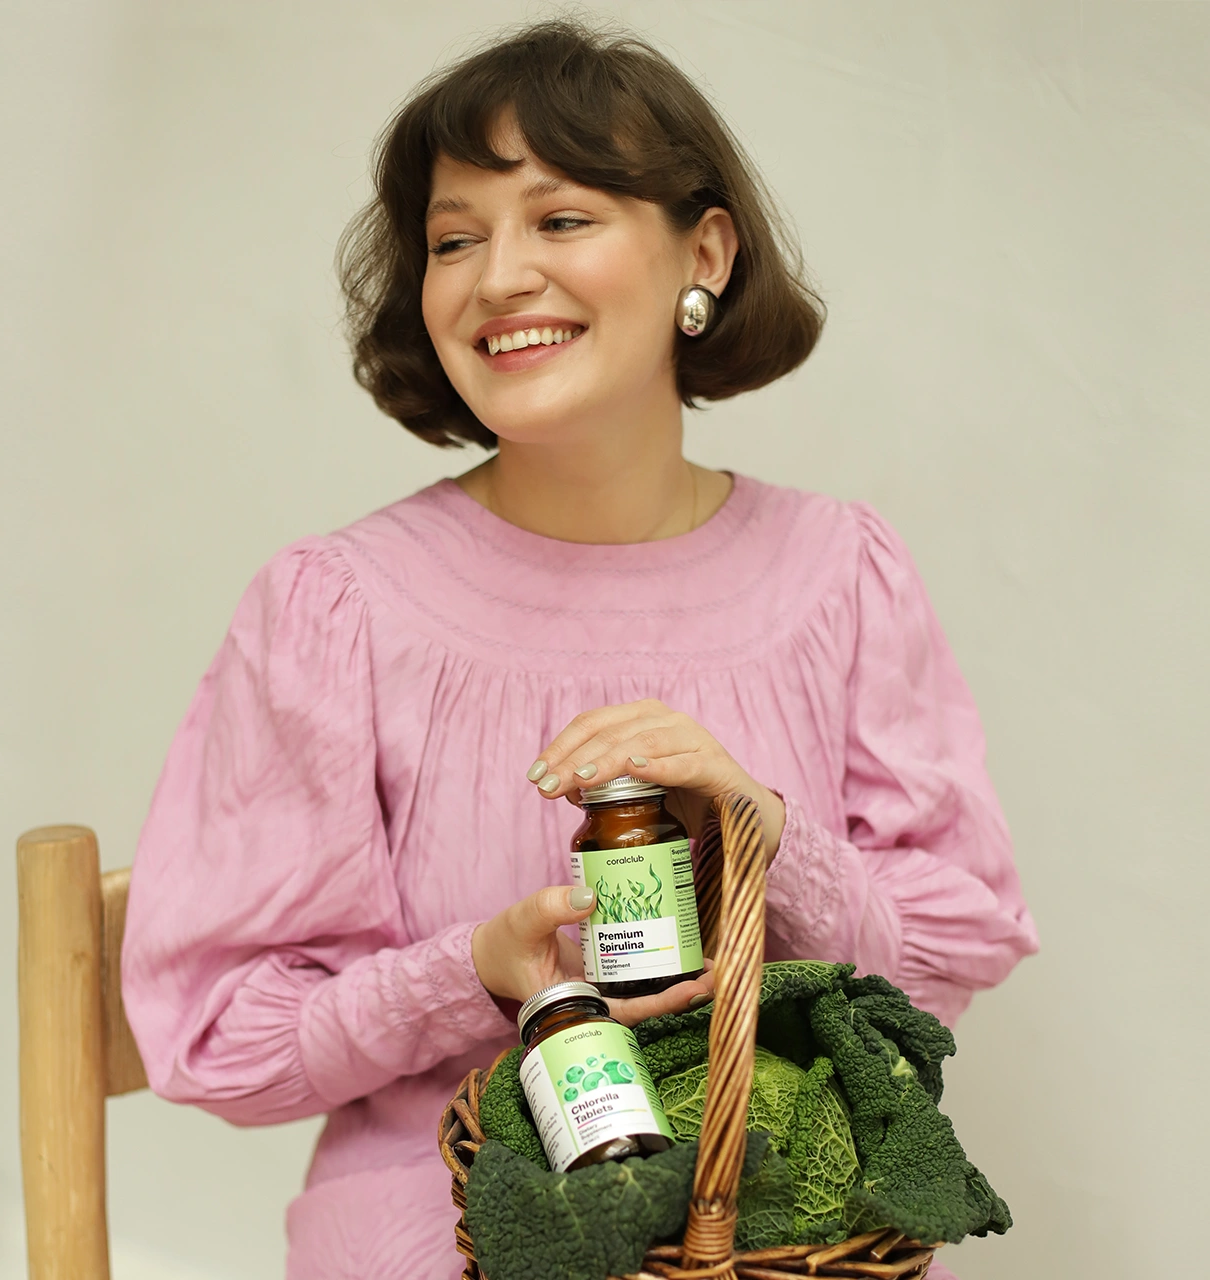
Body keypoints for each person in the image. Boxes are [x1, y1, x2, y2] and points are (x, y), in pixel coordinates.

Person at [122, 20, 1038, 1280]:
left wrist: (765, 836)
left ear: (702, 254)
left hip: (766, 1235)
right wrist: (474, 971)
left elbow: (939, 968)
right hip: (438, 1226)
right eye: (454, 239)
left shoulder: (841, 573)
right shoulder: (336, 607)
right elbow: (221, 1036)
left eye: (560, 219)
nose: (499, 276)